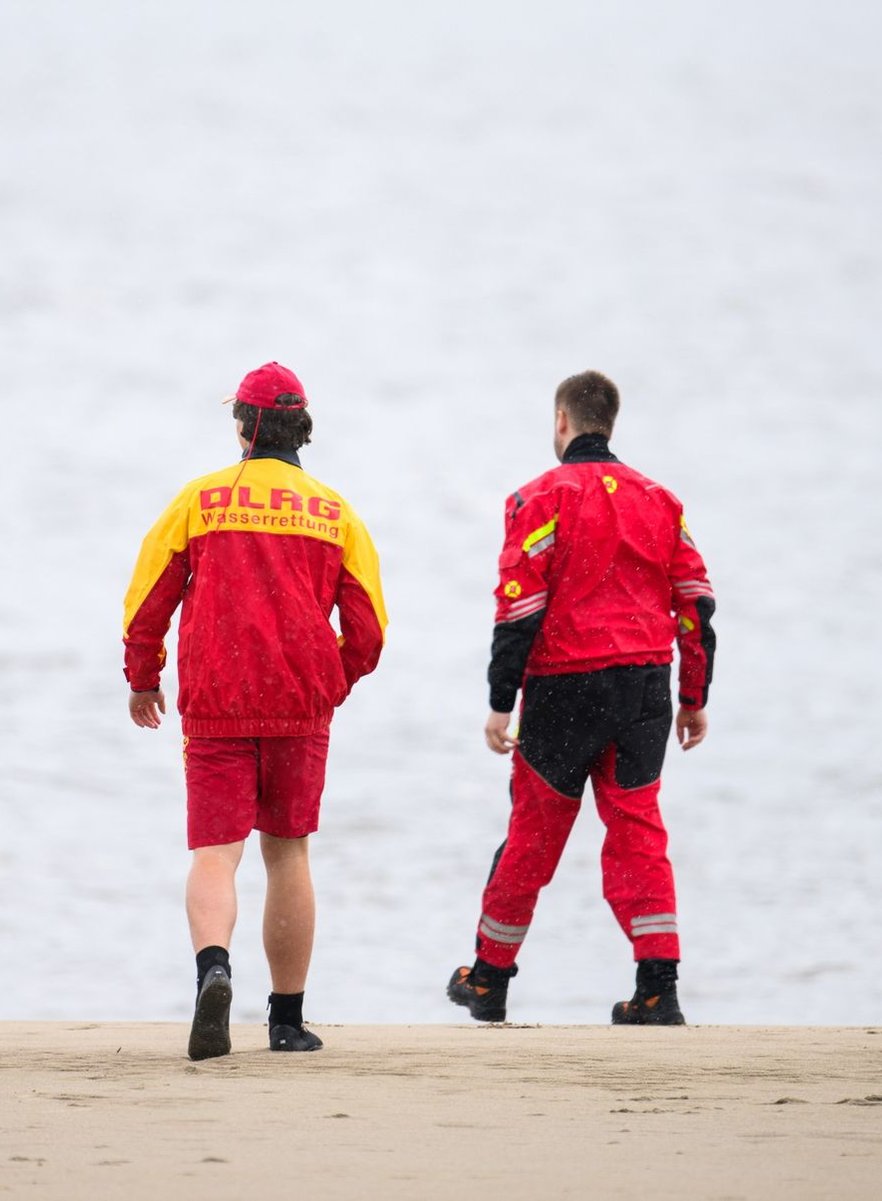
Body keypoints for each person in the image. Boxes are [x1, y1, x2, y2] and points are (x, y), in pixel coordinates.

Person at [123, 362, 387, 1060]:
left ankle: (214, 968)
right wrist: (331, 680)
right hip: (300, 704)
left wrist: (142, 676)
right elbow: (369, 630)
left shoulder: (200, 500)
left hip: (218, 701)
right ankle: (286, 1020)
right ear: (300, 430)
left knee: (217, 851)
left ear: (243, 428)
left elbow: (148, 594)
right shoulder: (337, 513)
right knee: (288, 850)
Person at [448, 370, 716, 1025]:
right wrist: (692, 695)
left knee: (533, 836)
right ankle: (658, 987)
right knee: (638, 833)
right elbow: (697, 603)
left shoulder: (539, 498)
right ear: (610, 422)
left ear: (562, 422)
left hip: (565, 687)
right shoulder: (661, 501)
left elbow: (519, 607)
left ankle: (489, 980)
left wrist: (499, 700)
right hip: (644, 686)